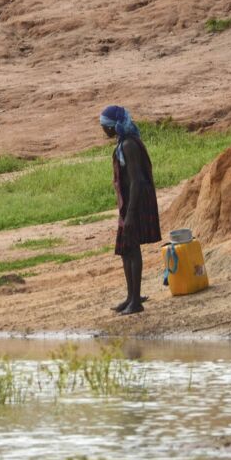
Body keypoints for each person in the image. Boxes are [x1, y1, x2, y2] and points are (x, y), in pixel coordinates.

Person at [100, 105, 161, 315]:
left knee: (132, 248)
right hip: (129, 202)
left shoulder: (128, 145)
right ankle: (130, 297)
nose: (102, 129)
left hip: (136, 202)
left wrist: (132, 214)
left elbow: (135, 180)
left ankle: (136, 301)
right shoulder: (123, 143)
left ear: (113, 126)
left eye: (104, 125)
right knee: (126, 249)